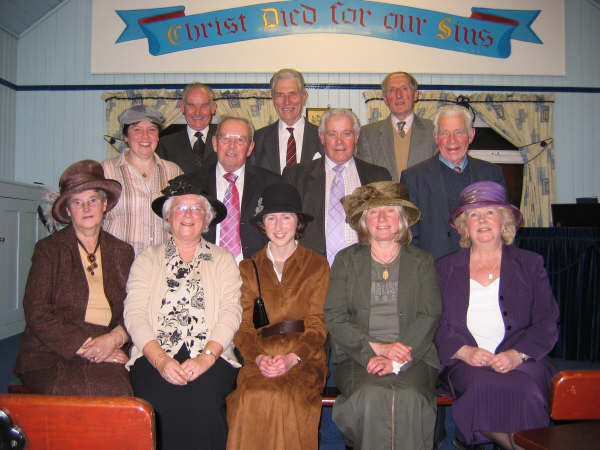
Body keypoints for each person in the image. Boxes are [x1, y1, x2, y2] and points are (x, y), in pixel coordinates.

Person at [435, 181, 559, 449]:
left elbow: (546, 321)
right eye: (474, 215)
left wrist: (518, 355)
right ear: (464, 226)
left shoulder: (530, 263)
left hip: (523, 359)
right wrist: (464, 351)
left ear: (504, 222)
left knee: (526, 391)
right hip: (466, 363)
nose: (482, 220)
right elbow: (436, 323)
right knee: (480, 386)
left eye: (490, 212)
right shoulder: (444, 268)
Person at [124, 174, 242, 450]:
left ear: (206, 218)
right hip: (154, 354)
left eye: (196, 208)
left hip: (211, 354)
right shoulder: (147, 259)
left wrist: (206, 359)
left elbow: (230, 312)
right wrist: (161, 361)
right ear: (168, 217)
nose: (188, 215)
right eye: (180, 207)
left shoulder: (223, 260)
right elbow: (134, 314)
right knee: (159, 401)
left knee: (203, 401)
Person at [324, 181, 442, 450]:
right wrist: (372, 349)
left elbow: (429, 314)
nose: (382, 218)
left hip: (416, 356)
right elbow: (335, 316)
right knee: (371, 393)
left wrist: (397, 360)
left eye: (389, 210)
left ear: (401, 219)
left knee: (409, 396)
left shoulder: (422, 261)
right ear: (364, 221)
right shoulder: (346, 260)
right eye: (373, 212)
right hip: (357, 357)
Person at [14, 160, 134, 396]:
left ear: (105, 204)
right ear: (68, 211)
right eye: (77, 203)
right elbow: (37, 312)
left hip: (108, 343)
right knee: (75, 393)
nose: (86, 208)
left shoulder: (122, 251)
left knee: (119, 392)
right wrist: (91, 347)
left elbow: (134, 308)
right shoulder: (49, 250)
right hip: (51, 351)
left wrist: (115, 338)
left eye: (92, 201)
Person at [226, 182, 329, 450]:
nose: (279, 226)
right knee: (251, 396)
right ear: (263, 224)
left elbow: (318, 325)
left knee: (285, 398)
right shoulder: (248, 268)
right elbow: (243, 328)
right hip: (259, 357)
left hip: (304, 358)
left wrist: (291, 358)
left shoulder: (317, 265)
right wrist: (259, 358)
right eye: (271, 218)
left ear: (298, 222)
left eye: (286, 217)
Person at [283, 108, 391, 264]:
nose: (339, 141)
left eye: (346, 134)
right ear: (322, 137)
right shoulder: (296, 177)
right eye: (332, 134)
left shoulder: (378, 177)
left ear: (356, 137)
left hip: (365, 270)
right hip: (310, 272)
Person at [400, 104, 505, 260]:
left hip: (483, 268)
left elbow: (505, 228)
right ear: (435, 136)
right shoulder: (413, 178)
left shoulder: (491, 174)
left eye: (459, 132)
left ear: (471, 135)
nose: (452, 140)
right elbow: (409, 238)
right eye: (444, 133)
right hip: (434, 272)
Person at [102, 104, 183, 255]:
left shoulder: (174, 171)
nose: (145, 136)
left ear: (158, 136)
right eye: (137, 129)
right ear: (126, 136)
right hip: (118, 262)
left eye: (152, 130)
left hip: (162, 263)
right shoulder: (105, 171)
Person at [198, 116, 281, 263]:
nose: (232, 146)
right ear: (215, 143)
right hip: (205, 270)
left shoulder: (271, 184)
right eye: (226, 139)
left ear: (250, 148)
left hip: (255, 272)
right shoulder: (194, 184)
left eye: (240, 140)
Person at [357, 71, 437, 181]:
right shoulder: (367, 134)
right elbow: (365, 180)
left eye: (404, 89)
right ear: (385, 99)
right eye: (392, 90)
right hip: (383, 198)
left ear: (415, 95)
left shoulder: (434, 130)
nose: (399, 95)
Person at [250, 68, 323, 174]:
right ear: (273, 98)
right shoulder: (258, 139)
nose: (287, 101)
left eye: (293, 94)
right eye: (280, 95)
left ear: (304, 97)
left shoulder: (322, 138)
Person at [157, 83, 218, 173]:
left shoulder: (226, 141)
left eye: (204, 106)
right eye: (191, 105)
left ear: (213, 108)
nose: (197, 113)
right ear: (182, 107)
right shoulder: (165, 145)